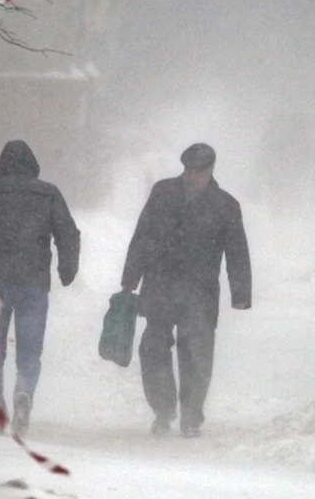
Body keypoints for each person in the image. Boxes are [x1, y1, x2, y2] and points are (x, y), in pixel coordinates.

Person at [120, 143, 252, 438]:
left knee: (197, 354)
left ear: (210, 171)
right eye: (189, 171)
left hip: (200, 291)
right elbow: (142, 235)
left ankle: (191, 416)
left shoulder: (226, 205)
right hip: (160, 285)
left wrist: (241, 292)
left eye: (199, 172)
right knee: (154, 349)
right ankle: (163, 411)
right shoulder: (162, 193)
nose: (192, 177)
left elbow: (237, 251)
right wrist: (131, 277)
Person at [0, 140, 80, 436]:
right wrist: (66, 269)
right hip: (33, 284)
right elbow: (68, 234)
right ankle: (24, 392)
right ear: (32, 166)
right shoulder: (48, 194)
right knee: (29, 352)